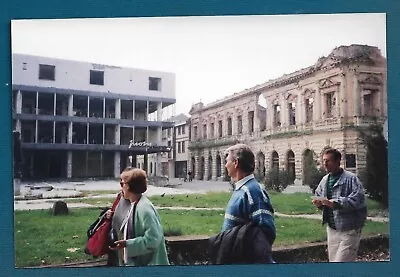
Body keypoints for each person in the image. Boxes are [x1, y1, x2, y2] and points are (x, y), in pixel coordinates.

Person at [219, 143, 276, 262]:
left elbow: (266, 230)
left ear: (236, 163)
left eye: (227, 161)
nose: (225, 165)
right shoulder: (242, 189)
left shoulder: (253, 191)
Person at [312, 148, 367, 262]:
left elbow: (359, 200)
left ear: (338, 161)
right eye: (324, 160)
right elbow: (319, 195)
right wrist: (319, 204)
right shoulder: (325, 180)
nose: (325, 164)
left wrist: (337, 203)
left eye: (328, 160)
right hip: (332, 229)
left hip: (349, 230)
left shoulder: (351, 179)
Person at [108, 168, 170, 266]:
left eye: (122, 184)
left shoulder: (144, 209)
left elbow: (153, 239)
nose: (121, 188)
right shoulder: (134, 204)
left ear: (129, 186)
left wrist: (127, 244)